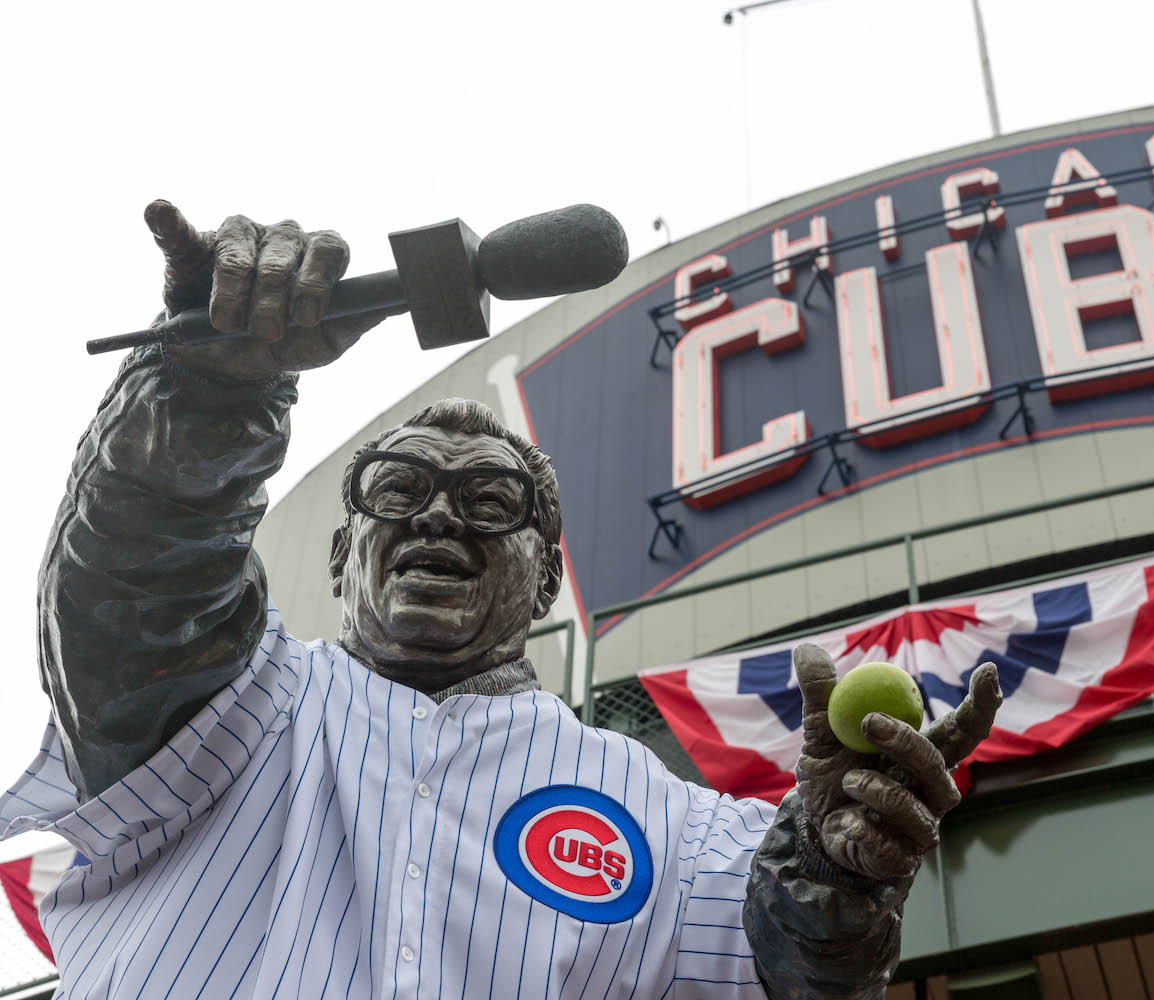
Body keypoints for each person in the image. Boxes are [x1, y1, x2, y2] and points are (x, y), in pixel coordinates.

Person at [3, 202, 1001, 999]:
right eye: (398, 491)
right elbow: (132, 594)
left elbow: (789, 971)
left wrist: (833, 882)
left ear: (548, 577)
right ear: (345, 551)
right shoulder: (233, 709)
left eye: (491, 500)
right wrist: (202, 397)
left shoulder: (676, 825)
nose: (439, 517)